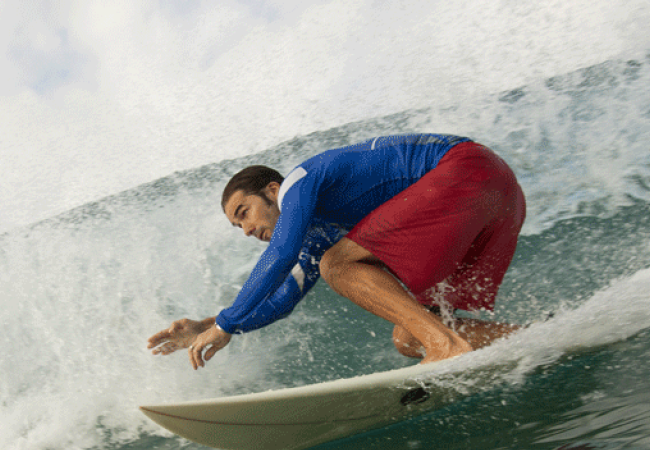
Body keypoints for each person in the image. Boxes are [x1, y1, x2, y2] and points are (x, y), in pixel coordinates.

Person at [148, 133, 525, 369]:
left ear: (273, 191)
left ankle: (446, 346)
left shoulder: (299, 182)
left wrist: (228, 323)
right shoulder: (320, 232)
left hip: (464, 169)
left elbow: (280, 257)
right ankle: (530, 337)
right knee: (408, 336)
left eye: (244, 213)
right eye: (237, 227)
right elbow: (282, 300)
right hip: (497, 195)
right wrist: (213, 323)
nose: (246, 230)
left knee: (338, 265)